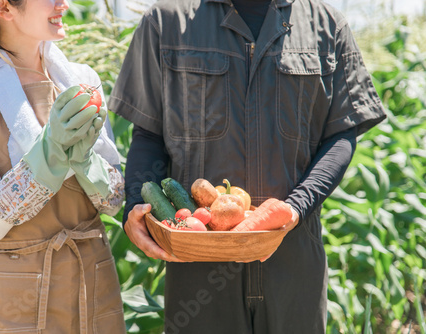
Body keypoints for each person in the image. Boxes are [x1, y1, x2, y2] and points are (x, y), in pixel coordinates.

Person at [109, 0, 386, 333]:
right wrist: (135, 210)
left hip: (294, 262)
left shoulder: (326, 25)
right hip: (197, 266)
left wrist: (295, 208)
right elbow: (148, 132)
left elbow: (341, 134)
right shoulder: (166, 23)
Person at [0, 0, 126, 332]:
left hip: (92, 286)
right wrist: (51, 152)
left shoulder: (82, 80)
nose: (63, 3)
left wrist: (84, 161)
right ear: (4, 7)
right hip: (14, 298)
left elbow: (113, 202)